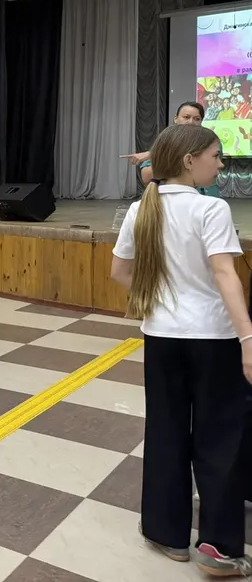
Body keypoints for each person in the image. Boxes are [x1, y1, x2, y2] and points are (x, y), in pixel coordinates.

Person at [110, 123, 252, 577]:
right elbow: (226, 275)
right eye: (215, 155)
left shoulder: (141, 209)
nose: (220, 163)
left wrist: (158, 303)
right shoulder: (211, 209)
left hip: (161, 336)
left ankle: (166, 533)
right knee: (219, 438)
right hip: (213, 338)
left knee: (166, 430)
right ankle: (218, 547)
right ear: (190, 161)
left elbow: (120, 272)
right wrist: (248, 338)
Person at [124, 101, 220, 197]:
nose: (191, 122)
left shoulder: (211, 141)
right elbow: (146, 176)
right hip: (172, 198)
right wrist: (159, 153)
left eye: (197, 119)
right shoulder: (165, 141)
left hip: (206, 197)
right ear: (176, 119)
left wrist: (151, 154)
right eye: (186, 117)